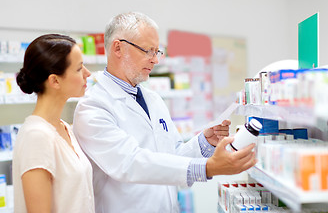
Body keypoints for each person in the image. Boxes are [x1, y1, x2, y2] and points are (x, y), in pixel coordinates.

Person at [73, 12, 257, 213]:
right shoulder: (93, 106)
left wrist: (204, 142)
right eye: (148, 51)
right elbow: (130, 163)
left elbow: (172, 155)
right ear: (118, 47)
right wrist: (208, 167)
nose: (155, 60)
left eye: (156, 51)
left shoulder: (153, 99)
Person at [13, 34, 94, 213]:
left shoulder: (64, 128)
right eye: (79, 69)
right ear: (55, 81)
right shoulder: (37, 137)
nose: (88, 74)